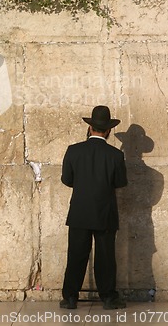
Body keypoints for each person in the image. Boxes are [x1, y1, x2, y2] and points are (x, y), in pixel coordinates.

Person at [60, 105, 128, 310]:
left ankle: (70, 297)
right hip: (105, 212)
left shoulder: (73, 151)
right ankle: (108, 297)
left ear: (90, 128)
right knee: (105, 256)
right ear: (108, 131)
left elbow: (66, 179)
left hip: (80, 212)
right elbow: (120, 182)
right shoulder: (115, 155)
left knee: (76, 255)